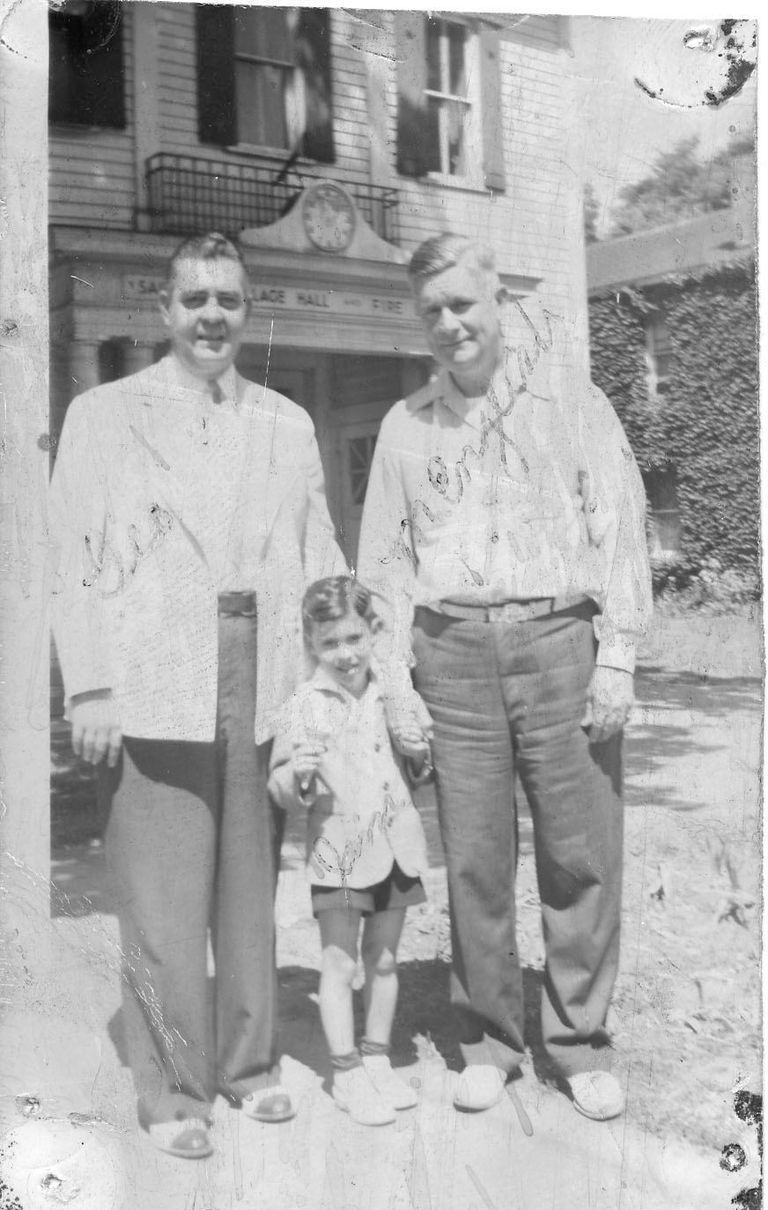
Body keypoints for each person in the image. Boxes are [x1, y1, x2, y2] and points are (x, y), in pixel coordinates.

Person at [49, 232, 345, 1158]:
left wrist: (338, 682)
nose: (212, 315)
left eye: (229, 299)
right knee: (163, 889)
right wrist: (90, 682)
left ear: (246, 312)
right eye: (195, 299)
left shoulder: (286, 422)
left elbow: (321, 553)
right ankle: (175, 1089)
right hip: (149, 673)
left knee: (251, 883)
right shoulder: (105, 415)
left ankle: (249, 1067)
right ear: (163, 310)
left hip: (263, 665)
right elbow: (74, 560)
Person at [357, 234, 653, 1120]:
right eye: (432, 313)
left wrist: (622, 658)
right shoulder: (404, 427)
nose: (449, 325)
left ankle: (579, 1042)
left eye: (463, 305)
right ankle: (489, 1040)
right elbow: (384, 566)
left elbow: (622, 528)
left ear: (499, 305)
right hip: (451, 655)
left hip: (562, 643)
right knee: (477, 861)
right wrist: (398, 686)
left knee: (581, 854)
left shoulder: (572, 404)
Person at [268, 576, 430, 1126]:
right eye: (330, 642)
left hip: (395, 842)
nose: (344, 654)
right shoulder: (303, 704)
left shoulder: (396, 690)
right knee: (339, 961)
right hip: (339, 849)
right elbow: (282, 787)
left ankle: (378, 1060)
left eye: (354, 639)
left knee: (384, 960)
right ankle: (345, 1073)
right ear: (311, 642)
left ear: (373, 634)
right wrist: (301, 773)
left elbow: (419, 765)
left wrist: (417, 751)